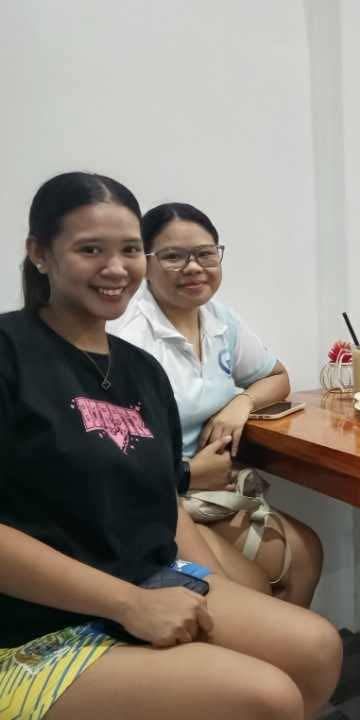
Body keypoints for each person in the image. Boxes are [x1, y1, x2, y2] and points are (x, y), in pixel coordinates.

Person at [0, 172, 341, 719]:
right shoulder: (10, 353)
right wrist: (129, 604)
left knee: (316, 648)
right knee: (266, 697)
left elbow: (163, 499)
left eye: (129, 250)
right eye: (91, 250)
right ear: (40, 254)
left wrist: (211, 583)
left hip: (148, 577)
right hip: (35, 621)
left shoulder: (142, 371)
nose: (116, 269)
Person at [111, 203, 323, 607]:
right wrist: (188, 473)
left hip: (218, 486)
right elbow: (115, 461)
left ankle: (281, 662)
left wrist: (240, 401)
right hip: (164, 497)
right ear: (145, 263)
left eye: (206, 254)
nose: (193, 267)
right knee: (253, 590)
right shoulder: (128, 338)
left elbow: (276, 377)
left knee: (306, 555)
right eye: (173, 256)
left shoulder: (218, 317)